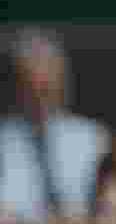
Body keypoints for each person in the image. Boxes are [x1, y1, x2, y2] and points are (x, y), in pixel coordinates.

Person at [0, 27, 110, 222]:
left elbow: (111, 204)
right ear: (17, 83)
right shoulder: (4, 139)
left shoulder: (93, 138)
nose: (39, 94)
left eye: (47, 85)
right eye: (31, 82)